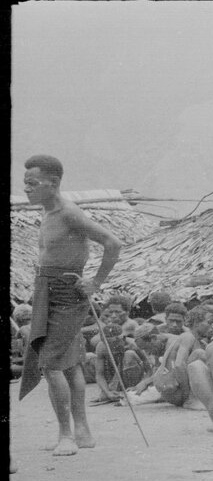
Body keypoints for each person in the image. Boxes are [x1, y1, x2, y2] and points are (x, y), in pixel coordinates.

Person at [19, 155, 122, 456]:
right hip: (45, 291)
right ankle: (83, 432)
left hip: (66, 295)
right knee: (71, 361)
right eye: (25, 183)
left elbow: (112, 243)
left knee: (50, 364)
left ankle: (66, 436)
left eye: (33, 183)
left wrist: (96, 283)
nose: (27, 189)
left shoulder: (69, 213)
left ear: (53, 183)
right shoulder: (48, 213)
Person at [157, 306, 213, 407]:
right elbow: (178, 365)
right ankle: (191, 399)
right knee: (199, 353)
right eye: (209, 322)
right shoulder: (188, 337)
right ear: (196, 323)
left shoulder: (201, 342)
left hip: (178, 389)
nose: (211, 326)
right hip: (176, 390)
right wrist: (186, 394)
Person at [91, 322, 148, 403]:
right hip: (116, 377)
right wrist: (107, 392)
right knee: (104, 396)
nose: (110, 346)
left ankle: (131, 390)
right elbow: (99, 374)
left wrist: (142, 384)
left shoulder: (133, 344)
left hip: (135, 378)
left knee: (129, 354)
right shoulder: (101, 347)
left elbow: (149, 369)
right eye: (107, 343)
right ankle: (117, 392)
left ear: (122, 338)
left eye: (113, 343)